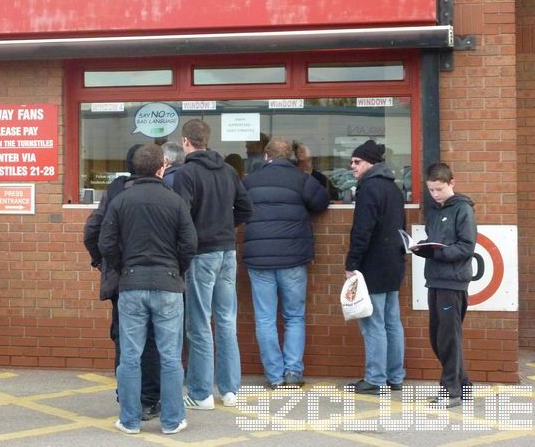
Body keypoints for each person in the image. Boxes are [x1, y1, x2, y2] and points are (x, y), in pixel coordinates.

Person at [99, 144, 197, 435]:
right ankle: (171, 420)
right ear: (162, 167)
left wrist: (124, 265)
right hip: (168, 284)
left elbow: (106, 243)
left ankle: (129, 420)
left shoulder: (121, 200)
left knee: (129, 356)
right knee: (169, 356)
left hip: (131, 283)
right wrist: (176, 269)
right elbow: (190, 245)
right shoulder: (176, 201)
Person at [172, 119, 253, 410]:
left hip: (201, 254)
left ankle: (201, 393)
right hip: (227, 252)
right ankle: (230, 391)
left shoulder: (186, 173)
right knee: (227, 322)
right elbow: (246, 208)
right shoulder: (229, 170)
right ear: (207, 139)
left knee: (199, 325)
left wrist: (196, 235)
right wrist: (223, 227)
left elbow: (181, 219)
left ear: (186, 142)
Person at [242, 138, 329, 389]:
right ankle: (293, 371)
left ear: (266, 157)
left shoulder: (250, 181)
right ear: (289, 156)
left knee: (265, 318)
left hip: (259, 259)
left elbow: (236, 209)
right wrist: (308, 168)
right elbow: (322, 202)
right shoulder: (300, 179)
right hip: (293, 259)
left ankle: (275, 376)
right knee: (294, 316)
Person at [83, 144, 162, 420]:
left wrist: (104, 264)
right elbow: (186, 240)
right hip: (161, 279)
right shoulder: (166, 192)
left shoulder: (116, 192)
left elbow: (92, 232)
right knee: (152, 339)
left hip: (123, 278)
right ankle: (149, 399)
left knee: (124, 339)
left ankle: (126, 397)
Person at [344, 139, 406, 394]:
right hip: (393, 263)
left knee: (373, 323)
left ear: (371, 163)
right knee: (392, 322)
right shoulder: (393, 188)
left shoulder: (369, 189)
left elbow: (362, 231)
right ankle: (395, 376)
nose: (352, 167)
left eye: (357, 162)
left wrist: (352, 264)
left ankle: (375, 378)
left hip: (373, 264)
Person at [414, 162, 476, 408]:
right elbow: (435, 241)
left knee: (449, 338)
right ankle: (463, 385)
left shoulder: (463, 210)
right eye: (431, 190)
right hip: (435, 279)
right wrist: (422, 249)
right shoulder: (435, 211)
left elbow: (466, 247)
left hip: (453, 282)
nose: (435, 195)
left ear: (452, 183)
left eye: (439, 189)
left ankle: (451, 391)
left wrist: (437, 253)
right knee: (437, 337)